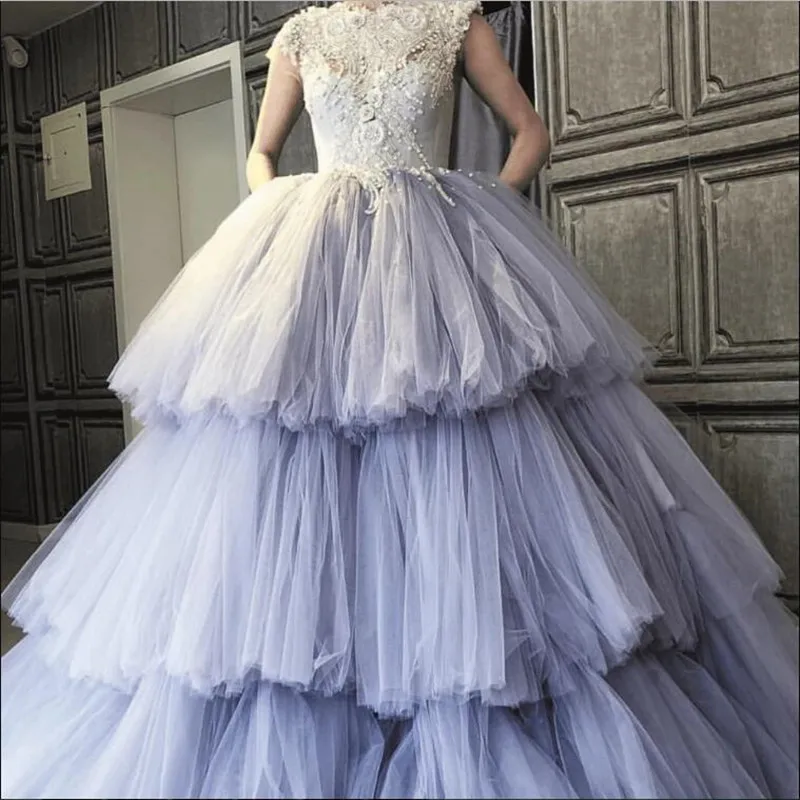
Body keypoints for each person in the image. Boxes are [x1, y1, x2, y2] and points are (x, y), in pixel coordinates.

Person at [1, 1, 798, 797]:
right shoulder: (303, 34)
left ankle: (462, 672)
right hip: (323, 262)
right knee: (297, 461)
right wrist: (283, 214)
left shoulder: (453, 21)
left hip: (433, 262)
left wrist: (479, 210)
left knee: (455, 448)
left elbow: (530, 133)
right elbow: (261, 154)